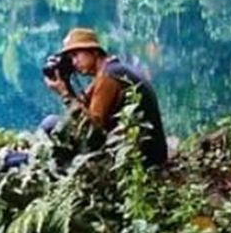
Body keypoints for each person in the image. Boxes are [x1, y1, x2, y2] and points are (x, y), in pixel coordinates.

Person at [42, 27, 168, 168]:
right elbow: (83, 110)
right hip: (151, 153)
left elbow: (91, 134)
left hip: (141, 159)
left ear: (94, 52)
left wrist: (65, 94)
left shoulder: (108, 77)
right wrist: (66, 84)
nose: (74, 62)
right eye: (71, 58)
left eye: (76, 55)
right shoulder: (113, 69)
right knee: (55, 126)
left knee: (51, 124)